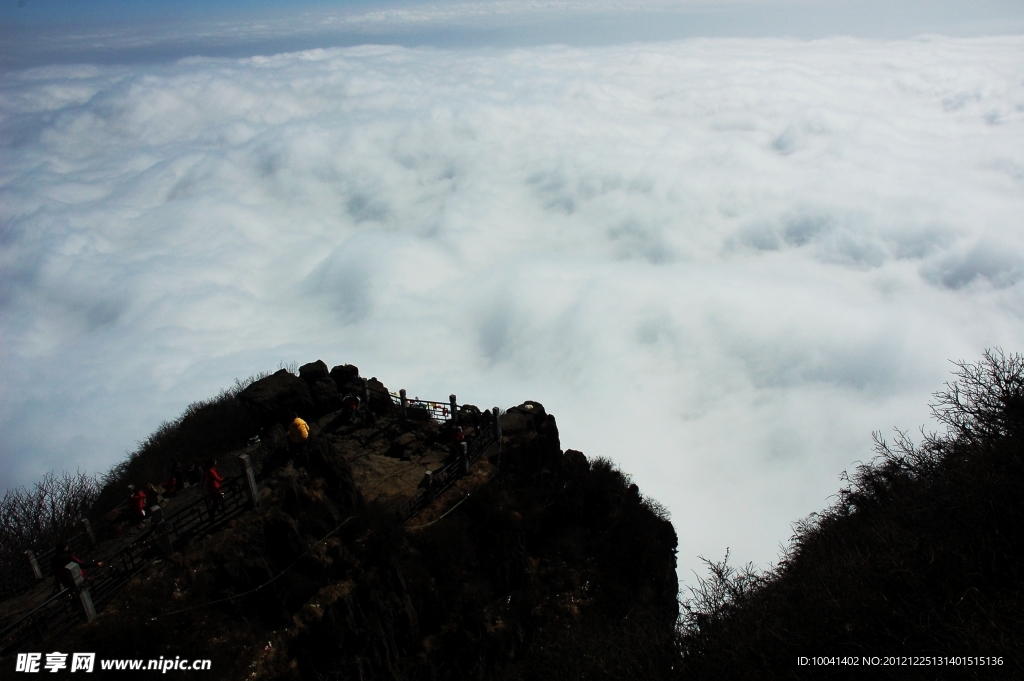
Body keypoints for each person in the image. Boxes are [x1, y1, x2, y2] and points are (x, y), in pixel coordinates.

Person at [202, 458, 226, 523]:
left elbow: (203, 480)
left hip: (210, 488)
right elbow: (218, 479)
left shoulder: (205, 470)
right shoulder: (211, 471)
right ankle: (213, 515)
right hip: (215, 487)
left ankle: (222, 508)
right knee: (216, 502)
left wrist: (203, 486)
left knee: (218, 499)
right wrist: (225, 478)